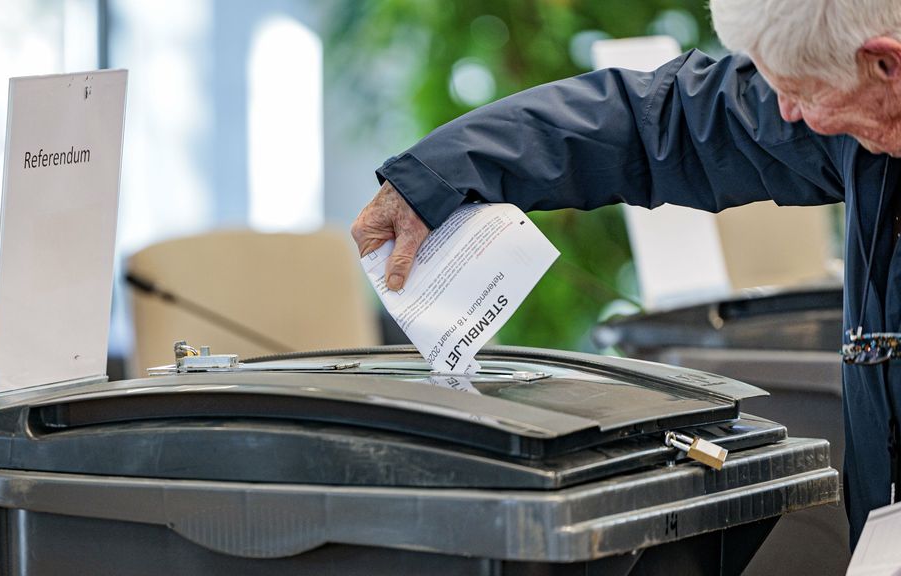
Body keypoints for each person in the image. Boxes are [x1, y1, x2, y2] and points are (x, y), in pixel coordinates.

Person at [351, 0, 901, 547]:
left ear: (886, 64)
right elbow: (663, 123)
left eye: (800, 92)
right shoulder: (854, 103)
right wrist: (441, 174)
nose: (785, 112)